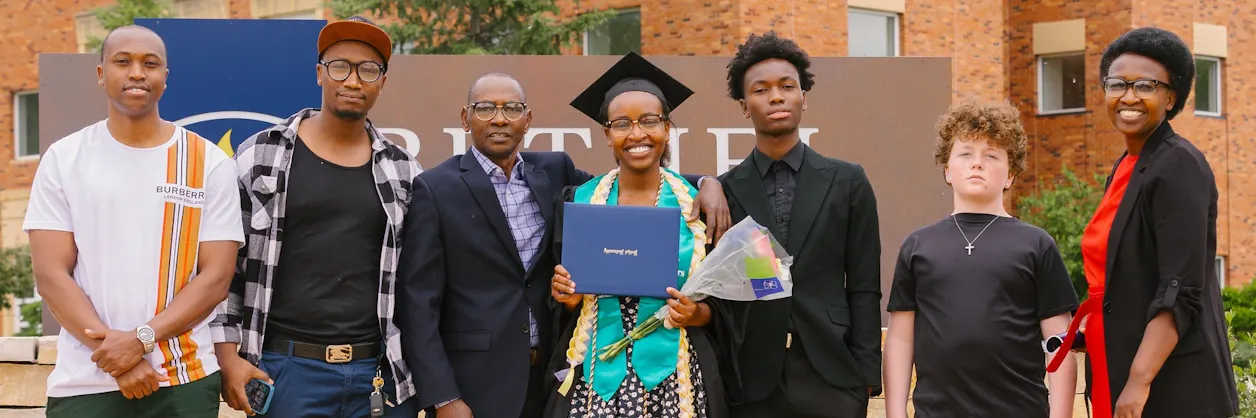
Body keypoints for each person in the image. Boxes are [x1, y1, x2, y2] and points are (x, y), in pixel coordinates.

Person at [398, 71, 730, 418]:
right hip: (481, 381)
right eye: (485, 108)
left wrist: (709, 182)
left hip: (549, 376)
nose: (499, 118)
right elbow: (419, 302)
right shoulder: (435, 189)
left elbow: (638, 176)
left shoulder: (556, 174)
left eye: (512, 108)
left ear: (527, 120)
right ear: (465, 119)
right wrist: (443, 396)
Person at [25, 25, 244, 417]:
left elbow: (216, 278)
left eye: (151, 64)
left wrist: (141, 340)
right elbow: (51, 275)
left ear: (165, 77)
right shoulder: (65, 157)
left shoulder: (208, 162)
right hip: (86, 382)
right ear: (101, 73)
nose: (137, 73)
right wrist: (116, 357)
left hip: (183, 379)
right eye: (123, 62)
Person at [210, 16, 422, 417]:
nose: (353, 80)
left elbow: (420, 282)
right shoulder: (261, 156)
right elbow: (224, 268)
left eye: (368, 69)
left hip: (379, 373)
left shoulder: (405, 171)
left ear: (382, 81)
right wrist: (226, 356)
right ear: (319, 74)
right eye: (340, 66)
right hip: (285, 370)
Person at [1047, 27, 1238, 418]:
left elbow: (1179, 288)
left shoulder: (1179, 164)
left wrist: (1138, 381)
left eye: (1146, 85)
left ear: (1171, 97)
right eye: (1117, 84)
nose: (1129, 96)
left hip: (1171, 381)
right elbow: (1129, 276)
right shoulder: (1127, 167)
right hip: (1116, 357)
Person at [543, 51, 729, 418]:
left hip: (678, 373)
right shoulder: (581, 200)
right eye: (621, 124)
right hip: (594, 373)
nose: (637, 134)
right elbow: (565, 300)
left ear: (667, 127)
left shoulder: (699, 206)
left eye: (649, 121)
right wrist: (565, 295)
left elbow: (726, 304)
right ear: (607, 134)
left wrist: (699, 314)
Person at [707, 31, 882, 417]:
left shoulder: (848, 180)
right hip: (750, 381)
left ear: (804, 97)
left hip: (832, 372)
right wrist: (706, 182)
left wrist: (867, 371)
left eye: (787, 86)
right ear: (743, 105)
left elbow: (865, 286)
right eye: (761, 89)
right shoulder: (725, 190)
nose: (775, 96)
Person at [882, 101, 1079, 418]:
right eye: (965, 154)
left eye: (991, 155)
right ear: (947, 170)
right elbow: (901, 339)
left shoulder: (1036, 244)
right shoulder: (917, 245)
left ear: (1010, 174)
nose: (977, 164)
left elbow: (1060, 344)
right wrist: (895, 413)